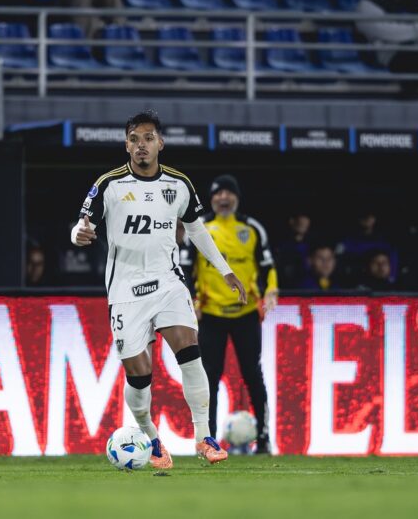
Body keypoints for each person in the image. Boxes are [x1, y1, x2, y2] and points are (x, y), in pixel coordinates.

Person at [71, 110, 246, 469]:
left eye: (148, 139)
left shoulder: (179, 185)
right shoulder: (109, 184)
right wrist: (79, 235)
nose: (141, 146)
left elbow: (196, 230)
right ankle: (151, 438)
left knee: (190, 350)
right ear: (127, 145)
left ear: (160, 144)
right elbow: (80, 226)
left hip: (168, 282)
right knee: (139, 377)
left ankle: (204, 436)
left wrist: (225, 270)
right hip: (125, 290)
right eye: (134, 139)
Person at [193, 174, 277, 454]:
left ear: (237, 197)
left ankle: (264, 438)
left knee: (253, 374)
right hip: (211, 314)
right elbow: (183, 267)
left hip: (246, 314)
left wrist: (271, 291)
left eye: (229, 193)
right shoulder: (199, 227)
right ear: (212, 198)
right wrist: (189, 300)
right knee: (209, 379)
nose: (223, 198)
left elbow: (268, 267)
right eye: (218, 193)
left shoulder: (252, 228)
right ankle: (210, 440)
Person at [274, 211, 311, 289]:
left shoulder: (312, 245)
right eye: (300, 219)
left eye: (306, 219)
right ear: (292, 221)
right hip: (287, 288)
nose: (303, 222)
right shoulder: (281, 246)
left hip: (309, 288)